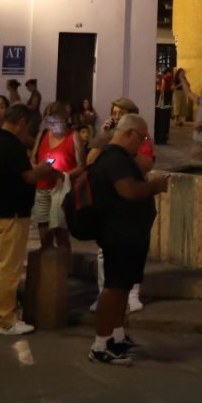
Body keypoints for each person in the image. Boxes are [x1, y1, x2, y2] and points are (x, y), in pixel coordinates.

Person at [86, 113, 170, 364]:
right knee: (113, 289)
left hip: (128, 234)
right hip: (118, 235)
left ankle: (117, 336)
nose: (142, 142)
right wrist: (154, 186)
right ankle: (101, 345)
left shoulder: (120, 157)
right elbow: (129, 191)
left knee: (122, 286)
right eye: (141, 137)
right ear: (129, 133)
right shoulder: (114, 159)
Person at [0, 104, 42, 335]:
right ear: (22, 122)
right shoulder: (12, 145)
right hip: (13, 212)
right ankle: (5, 319)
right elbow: (28, 176)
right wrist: (45, 169)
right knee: (8, 268)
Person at [31, 102, 82, 247]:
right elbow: (33, 158)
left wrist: (63, 175)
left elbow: (81, 166)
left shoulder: (73, 137)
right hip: (42, 187)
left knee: (60, 231)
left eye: (55, 122)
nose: (51, 126)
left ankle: (62, 266)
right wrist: (38, 169)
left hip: (61, 190)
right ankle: (47, 265)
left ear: (64, 119)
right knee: (43, 231)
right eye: (48, 122)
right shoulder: (43, 135)